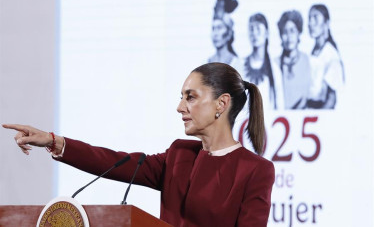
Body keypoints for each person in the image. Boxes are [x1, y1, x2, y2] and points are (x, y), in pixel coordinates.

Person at [3, 63, 275, 227]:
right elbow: (111, 161)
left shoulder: (255, 170)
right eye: (181, 97)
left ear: (222, 103)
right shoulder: (179, 155)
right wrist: (54, 140)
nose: (180, 107)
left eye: (190, 97)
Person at [307, 4, 344, 109]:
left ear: (326, 23)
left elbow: (331, 98)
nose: (310, 23)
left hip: (321, 110)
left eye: (315, 18)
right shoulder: (313, 53)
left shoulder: (330, 54)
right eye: (309, 19)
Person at [243, 13, 283, 110]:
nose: (254, 34)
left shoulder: (274, 69)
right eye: (251, 29)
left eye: (258, 29)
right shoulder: (240, 65)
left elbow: (280, 106)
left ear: (266, 33)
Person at [275, 10, 311, 109]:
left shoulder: (308, 61)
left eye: (292, 31)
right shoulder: (275, 64)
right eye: (285, 32)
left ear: (298, 33)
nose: (289, 37)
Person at [208, 0, 244, 75]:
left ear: (229, 34)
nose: (215, 34)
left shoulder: (237, 64)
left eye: (219, 28)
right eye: (213, 28)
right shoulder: (206, 63)